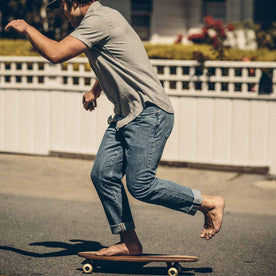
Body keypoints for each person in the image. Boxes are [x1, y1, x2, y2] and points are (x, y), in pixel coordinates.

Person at [5, 0, 225, 256]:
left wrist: (27, 28)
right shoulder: (103, 20)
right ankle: (129, 242)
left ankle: (208, 203)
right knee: (103, 174)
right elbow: (117, 61)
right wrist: (95, 90)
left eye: (63, 6)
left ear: (74, 1)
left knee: (141, 184)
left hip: (148, 113)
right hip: (127, 116)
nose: (63, 14)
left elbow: (56, 53)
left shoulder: (98, 21)